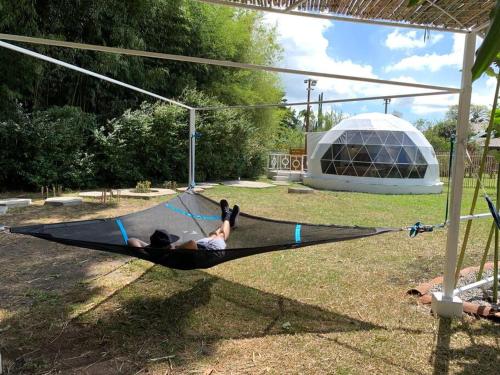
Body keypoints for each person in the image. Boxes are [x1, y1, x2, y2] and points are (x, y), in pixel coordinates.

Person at [127, 199, 239, 252]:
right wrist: (175, 248)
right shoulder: (174, 253)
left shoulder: (153, 252)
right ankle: (227, 218)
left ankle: (229, 220)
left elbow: (131, 240)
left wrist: (145, 250)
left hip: (201, 245)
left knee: (212, 235)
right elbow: (192, 243)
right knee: (221, 236)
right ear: (168, 246)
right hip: (210, 251)